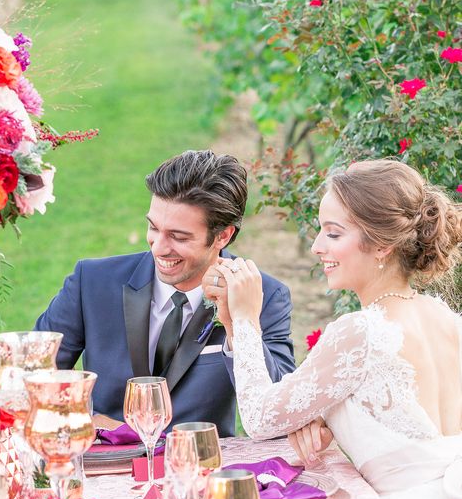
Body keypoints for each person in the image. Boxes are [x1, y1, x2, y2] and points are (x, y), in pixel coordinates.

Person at [203, 158, 462, 499]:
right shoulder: (447, 318)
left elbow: (262, 419)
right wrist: (323, 411)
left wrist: (245, 320)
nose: (317, 246)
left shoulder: (361, 332)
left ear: (381, 245)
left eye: (334, 233)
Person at [34, 149, 295, 436]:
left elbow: (281, 418)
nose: (158, 247)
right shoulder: (92, 282)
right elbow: (33, 376)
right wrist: (90, 419)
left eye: (178, 236)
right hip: (103, 466)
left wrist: (241, 323)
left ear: (223, 235)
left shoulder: (265, 297)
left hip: (201, 470)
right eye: (153, 227)